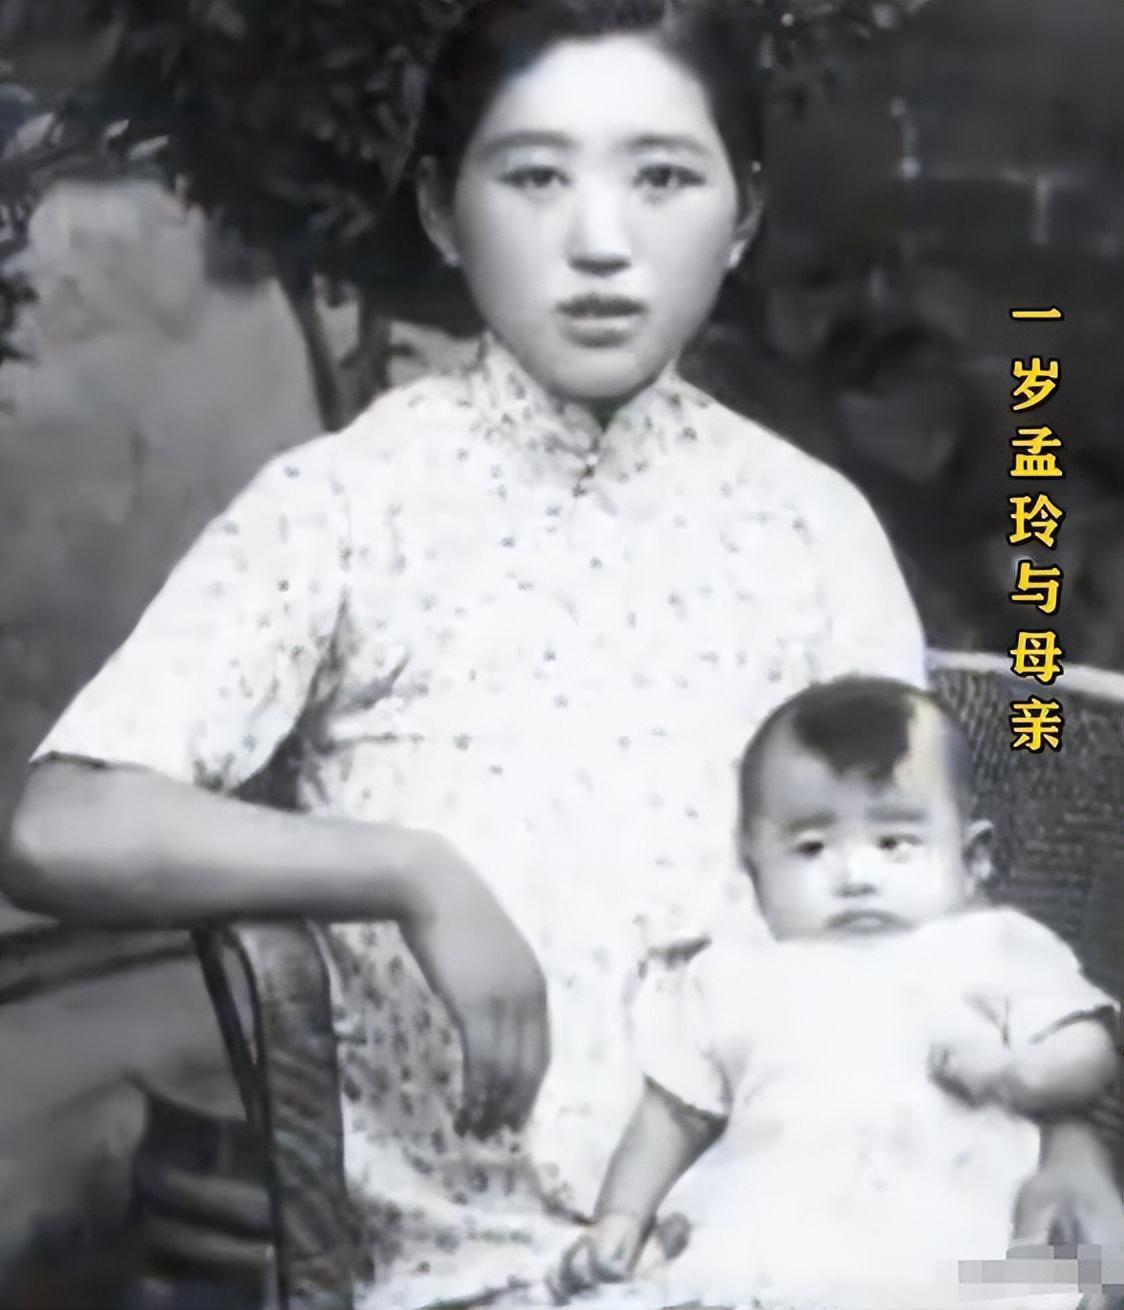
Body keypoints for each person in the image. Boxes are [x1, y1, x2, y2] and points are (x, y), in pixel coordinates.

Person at [2, 2, 1119, 1306]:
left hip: (835, 1240)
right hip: (500, 1266)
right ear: (441, 209)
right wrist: (409, 869)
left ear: (742, 217)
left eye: (664, 178)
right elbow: (61, 823)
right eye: (534, 177)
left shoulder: (812, 526)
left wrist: (1066, 1142)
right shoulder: (345, 509)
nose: (600, 242)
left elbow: (923, 907)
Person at [551, 677, 1121, 1309]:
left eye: (894, 844)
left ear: (973, 858)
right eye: (811, 848)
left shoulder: (996, 944)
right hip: (762, 1262)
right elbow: (671, 1117)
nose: (855, 876)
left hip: (956, 1258)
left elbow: (1087, 1047)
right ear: (754, 870)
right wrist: (621, 1218)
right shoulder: (730, 973)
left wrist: (1018, 1076)